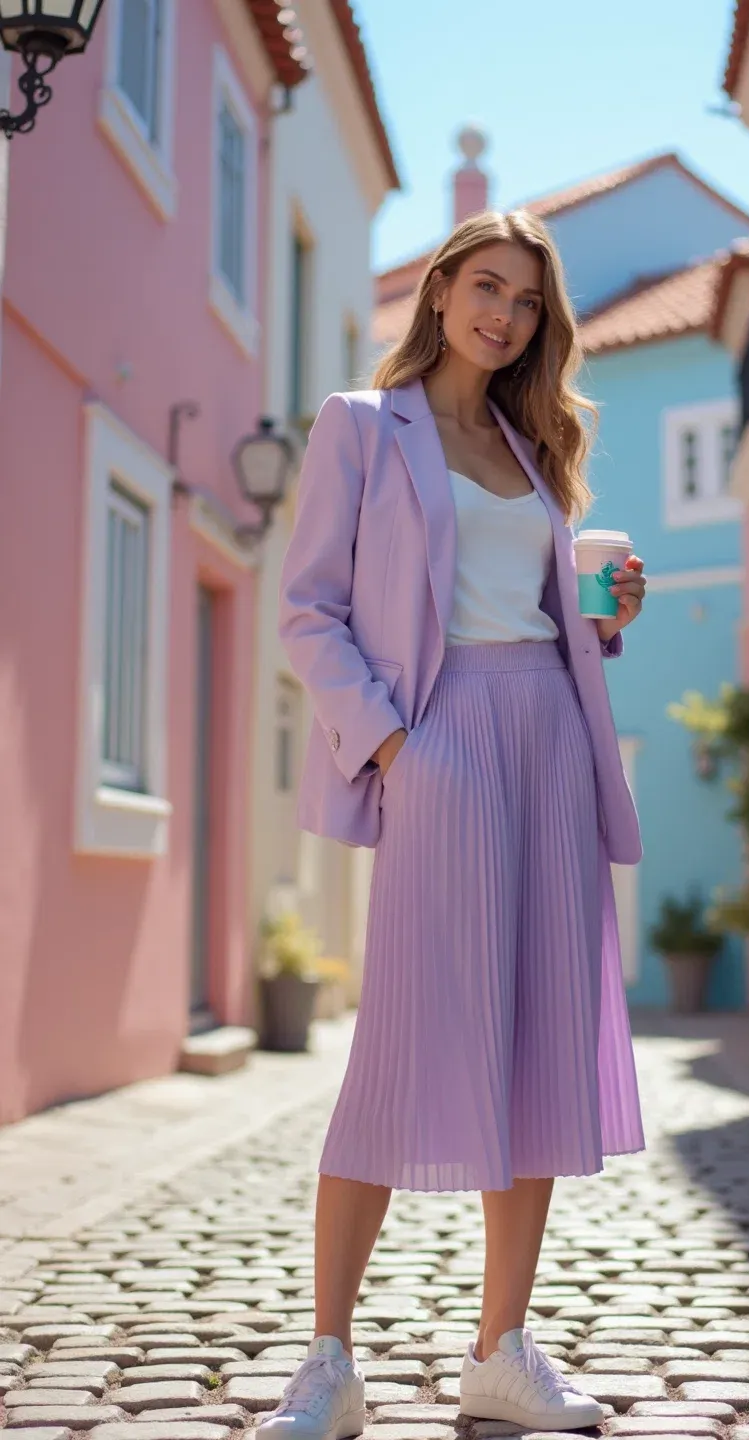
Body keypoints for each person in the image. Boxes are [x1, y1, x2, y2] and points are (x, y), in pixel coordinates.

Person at [260, 208, 647, 1440]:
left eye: (527, 301)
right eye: (487, 287)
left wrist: (608, 615)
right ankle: (328, 1361)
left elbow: (545, 614)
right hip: (438, 739)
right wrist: (388, 745)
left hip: (551, 742)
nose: (505, 315)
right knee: (400, 1040)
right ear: (439, 291)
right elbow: (308, 610)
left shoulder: (539, 447)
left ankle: (502, 1349)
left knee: (537, 1039)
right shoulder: (363, 429)